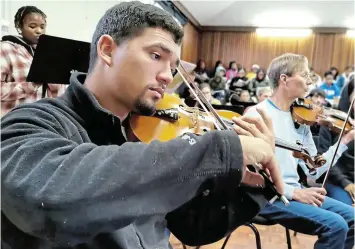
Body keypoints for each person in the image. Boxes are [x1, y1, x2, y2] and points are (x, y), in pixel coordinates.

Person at [1, 2, 283, 249]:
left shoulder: (145, 136)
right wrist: (219, 150)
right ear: (108, 50)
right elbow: (53, 199)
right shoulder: (27, 125)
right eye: (156, 56)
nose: (165, 76)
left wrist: (253, 183)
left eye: (173, 68)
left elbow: (192, 227)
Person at [244, 53, 354, 249]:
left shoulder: (300, 119)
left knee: (353, 218)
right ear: (284, 79)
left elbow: (315, 170)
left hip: (295, 192)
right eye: (304, 75)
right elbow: (252, 174)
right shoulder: (258, 114)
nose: (310, 81)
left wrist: (344, 141)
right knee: (336, 226)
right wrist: (294, 192)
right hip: (266, 196)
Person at [1, 6, 65, 117]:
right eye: (32, 26)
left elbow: (58, 94)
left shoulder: (49, 52)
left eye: (42, 27)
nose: (39, 31)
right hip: (14, 122)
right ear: (19, 26)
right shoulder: (5, 48)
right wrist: (32, 84)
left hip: (45, 121)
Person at [318, 77, 354, 206]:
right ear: (349, 97)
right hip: (335, 179)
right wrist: (345, 182)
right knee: (348, 211)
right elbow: (323, 156)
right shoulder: (332, 122)